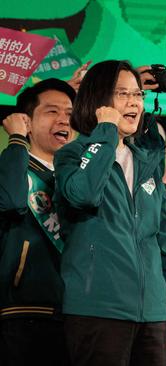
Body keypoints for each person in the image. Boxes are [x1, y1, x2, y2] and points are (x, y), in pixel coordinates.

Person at [53, 60, 166, 366]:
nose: (133, 102)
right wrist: (105, 132)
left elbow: (163, 234)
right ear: (99, 101)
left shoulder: (146, 159)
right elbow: (84, 194)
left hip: (152, 314)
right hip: (97, 309)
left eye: (138, 95)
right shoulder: (71, 155)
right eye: (121, 94)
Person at [0, 78, 75, 366]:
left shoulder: (75, 179)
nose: (63, 120)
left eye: (69, 113)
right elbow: (11, 201)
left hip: (76, 312)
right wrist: (17, 140)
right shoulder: (13, 166)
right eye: (52, 111)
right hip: (23, 312)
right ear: (26, 122)